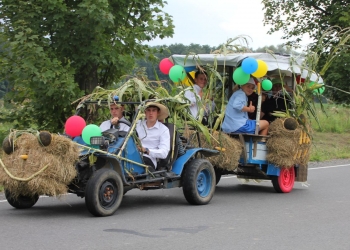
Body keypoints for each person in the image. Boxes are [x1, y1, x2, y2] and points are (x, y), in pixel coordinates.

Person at [136, 102, 170, 171]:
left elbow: (164, 153)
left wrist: (146, 150)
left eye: (153, 110)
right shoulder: (138, 124)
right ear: (145, 112)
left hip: (148, 159)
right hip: (132, 155)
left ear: (158, 113)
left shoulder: (163, 129)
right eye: (148, 110)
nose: (151, 113)